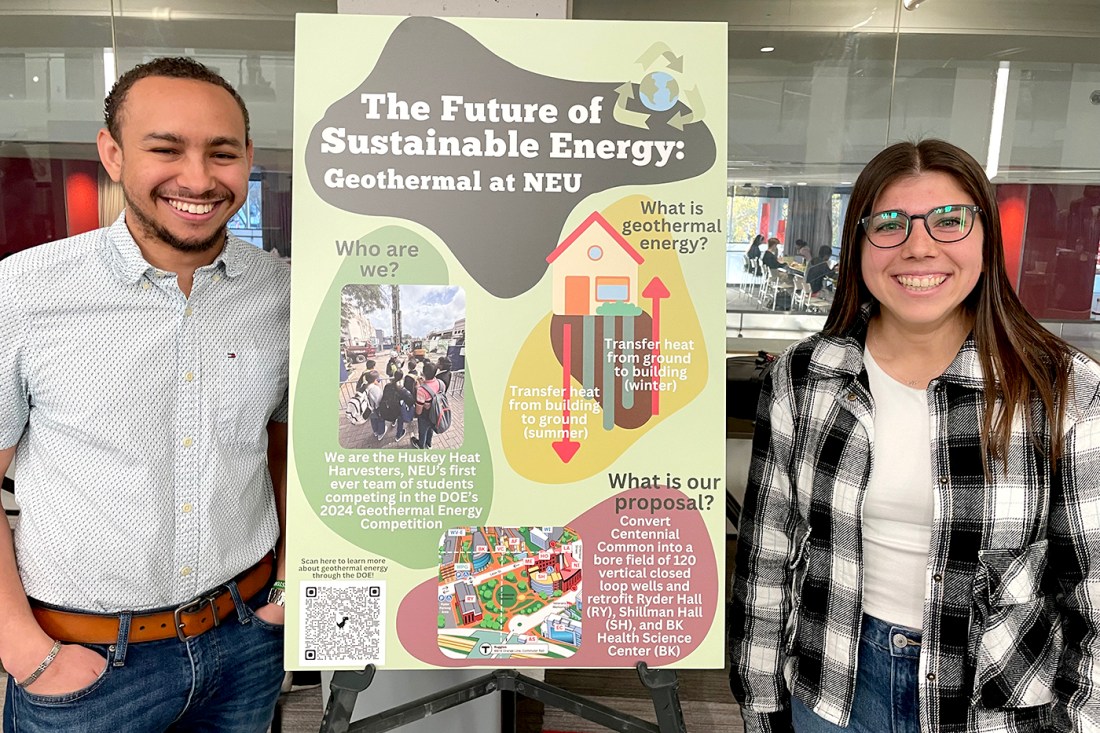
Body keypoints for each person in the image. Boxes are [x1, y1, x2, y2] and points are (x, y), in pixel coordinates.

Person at [730, 139, 1100, 732]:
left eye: (949, 221)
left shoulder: (1061, 389)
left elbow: (1093, 592)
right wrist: (761, 705)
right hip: (832, 688)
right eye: (889, 225)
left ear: (986, 238)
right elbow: (769, 556)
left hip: (992, 704)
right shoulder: (806, 376)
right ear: (859, 243)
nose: (919, 246)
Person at [0, 57, 289, 732]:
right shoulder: (23, 293)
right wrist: (24, 649)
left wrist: (286, 592)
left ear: (247, 160)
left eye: (221, 152)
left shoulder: (281, 293)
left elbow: (283, 446)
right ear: (113, 154)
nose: (197, 177)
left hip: (246, 641)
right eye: (166, 149)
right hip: (84, 663)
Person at [412, 362, 443, 449]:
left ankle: (421, 445)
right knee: (431, 429)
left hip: (425, 416)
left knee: (423, 431)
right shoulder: (441, 383)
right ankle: (429, 444)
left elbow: (419, 410)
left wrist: (419, 387)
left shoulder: (421, 390)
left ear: (423, 373)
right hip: (436, 413)